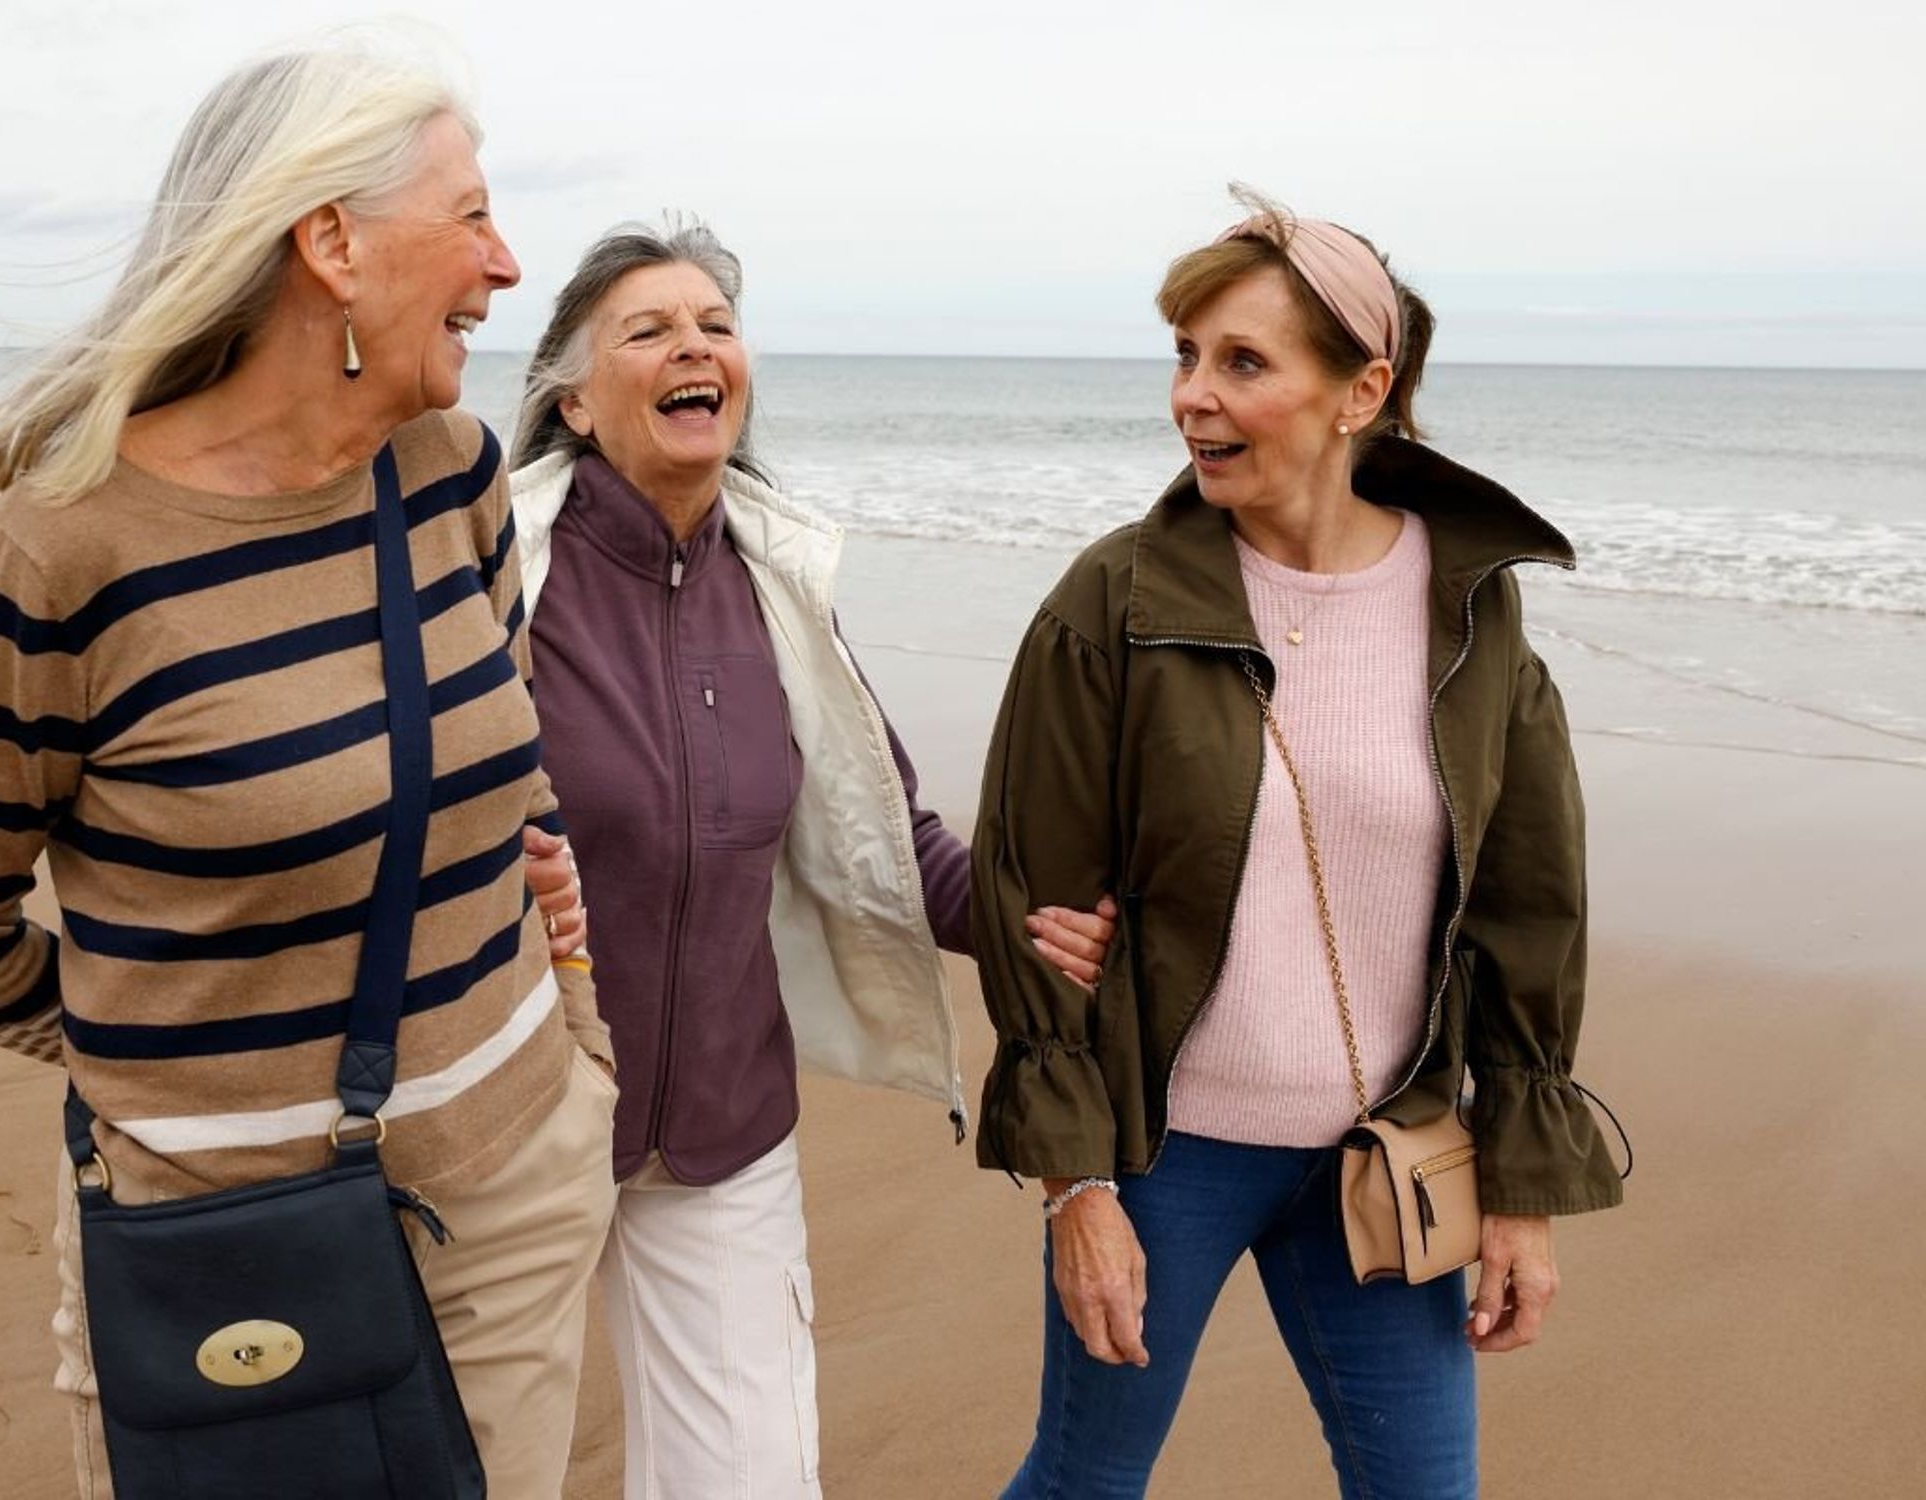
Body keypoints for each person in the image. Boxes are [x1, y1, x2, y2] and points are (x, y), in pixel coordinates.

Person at [0, 46, 615, 1498]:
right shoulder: (62, 552)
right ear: (331, 245)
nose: (505, 262)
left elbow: (503, 752)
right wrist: (144, 1074)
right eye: (472, 215)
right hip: (224, 1246)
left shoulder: (452, 470)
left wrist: (568, 1015)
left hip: (516, 1189)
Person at [970, 189, 1626, 1499]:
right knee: (1082, 1483)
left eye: (1243, 363)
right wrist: (1075, 1193)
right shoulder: (1114, 603)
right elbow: (1032, 899)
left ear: (1360, 391)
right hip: (1169, 1151)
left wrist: (1523, 1183)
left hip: (1389, 1149)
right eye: (1185, 356)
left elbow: (1524, 907)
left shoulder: (1470, 614)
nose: (1192, 399)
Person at [507, 218, 1115, 1499]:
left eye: (716, 326)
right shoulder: (496, 573)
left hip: (721, 1123)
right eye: (650, 329)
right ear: (568, 396)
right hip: (521, 1122)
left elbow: (890, 839)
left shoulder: (781, 586)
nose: (695, 346)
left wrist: (1033, 918)